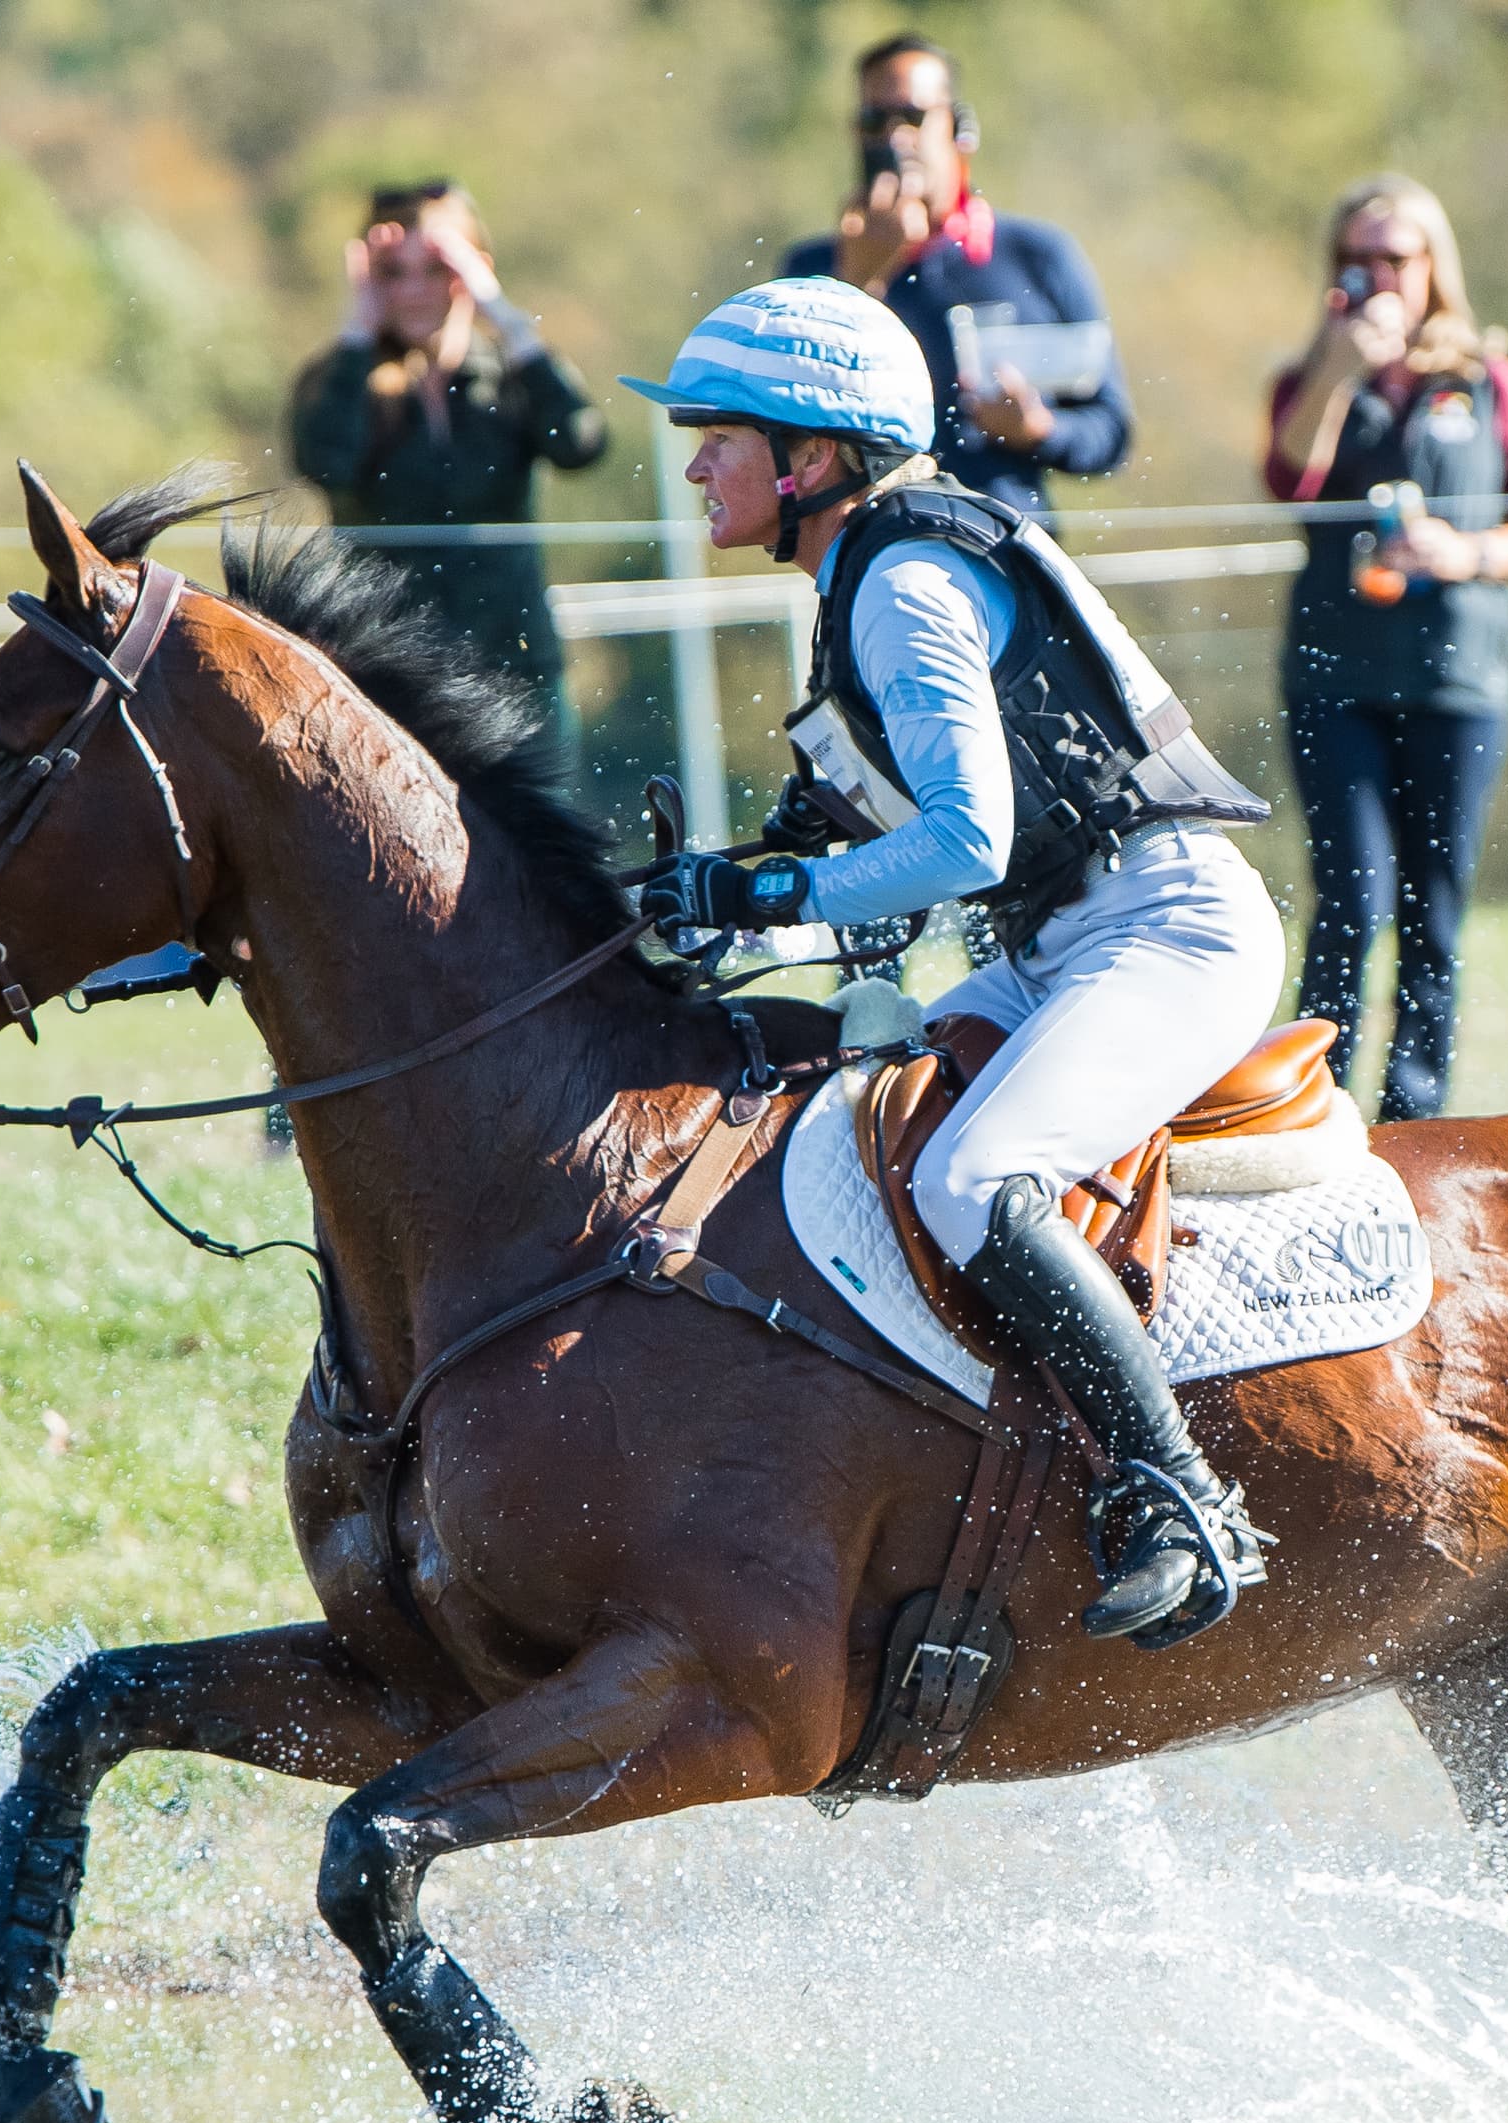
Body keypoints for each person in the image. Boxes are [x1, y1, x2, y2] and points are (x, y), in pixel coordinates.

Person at [622, 280, 1277, 1649]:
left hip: (1166, 932)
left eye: (715, 436)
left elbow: (968, 841)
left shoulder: (905, 583)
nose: (692, 464)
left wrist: (776, 885)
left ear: (806, 459)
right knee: (847, 1112)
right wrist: (705, 895)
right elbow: (868, 835)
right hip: (1063, 944)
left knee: (972, 1176)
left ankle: (1183, 1500)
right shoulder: (867, 570)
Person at [1264, 176, 1508, 1120]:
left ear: (1435, 265)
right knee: (1349, 898)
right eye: (1359, 255)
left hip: (1455, 678)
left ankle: (1414, 1113)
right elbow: (1287, 480)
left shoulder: (1485, 379)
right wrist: (1335, 369)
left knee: (1436, 913)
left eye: (1398, 255)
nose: (1380, 273)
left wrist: (1465, 552)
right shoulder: (1313, 375)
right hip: (1335, 675)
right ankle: (1314, 1102)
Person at [286, 182, 608, 748]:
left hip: (517, 679)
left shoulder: (512, 376)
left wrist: (503, 316)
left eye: (436, 268)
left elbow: (580, 443)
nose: (415, 290)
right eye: (393, 272)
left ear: (474, 268)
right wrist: (356, 329)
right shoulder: (340, 380)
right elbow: (323, 461)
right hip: (384, 685)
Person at [779, 33, 1131, 522]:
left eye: (914, 116)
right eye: (874, 120)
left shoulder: (1037, 256)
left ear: (960, 128)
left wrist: (1037, 430)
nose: (894, 137)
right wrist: (856, 285)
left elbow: (1110, 433)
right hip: (864, 550)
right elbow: (784, 431)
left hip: (1008, 552)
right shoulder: (814, 270)